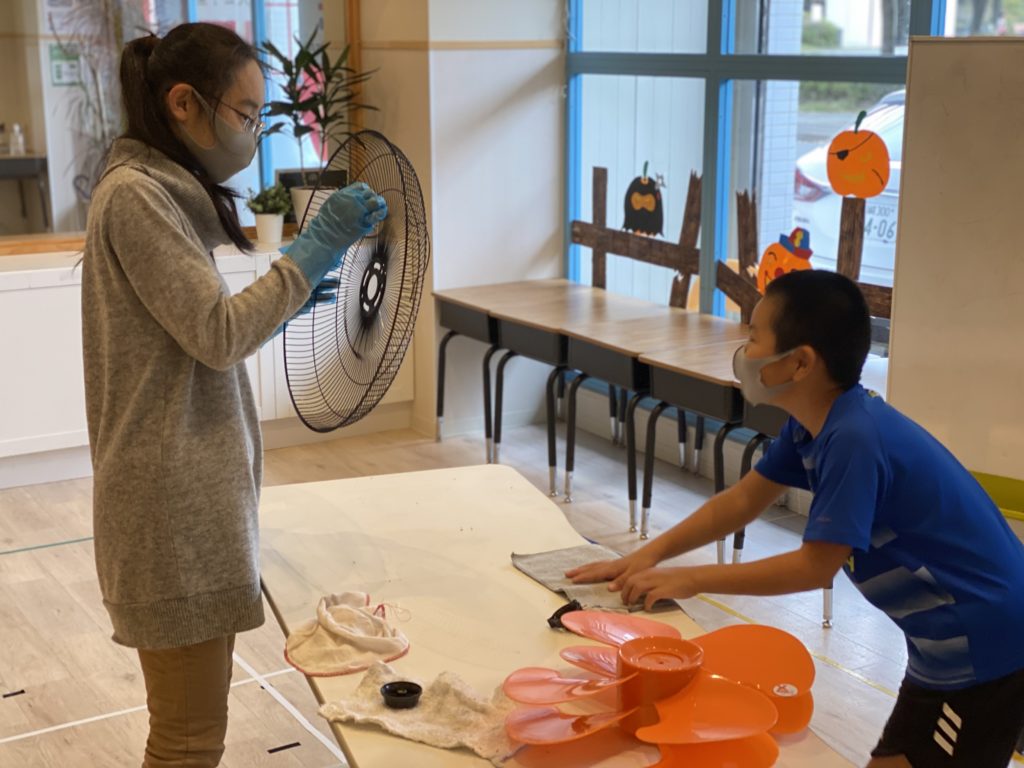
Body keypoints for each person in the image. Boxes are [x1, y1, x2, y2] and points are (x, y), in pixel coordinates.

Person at [567, 270, 1024, 768]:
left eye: (754, 337)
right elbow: (741, 502)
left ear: (800, 362)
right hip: (943, 645)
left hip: (988, 644)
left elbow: (814, 567)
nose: (744, 351)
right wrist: (645, 557)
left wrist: (691, 579)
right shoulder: (814, 426)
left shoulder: (854, 439)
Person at [81, 23, 386, 767]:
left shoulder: (158, 192)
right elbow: (218, 334)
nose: (253, 132)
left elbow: (195, 337)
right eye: (246, 113)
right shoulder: (137, 197)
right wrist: (311, 253)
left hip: (187, 508)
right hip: (170, 518)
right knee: (186, 743)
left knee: (191, 733)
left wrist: (291, 289)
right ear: (183, 103)